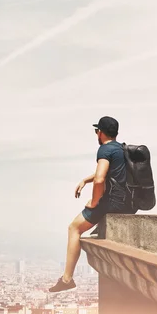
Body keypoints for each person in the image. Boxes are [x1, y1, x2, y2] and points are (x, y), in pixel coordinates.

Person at [49, 116, 136, 292]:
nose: (97, 134)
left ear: (101, 133)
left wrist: (94, 202)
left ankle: (67, 279)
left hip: (112, 203)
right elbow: (110, 173)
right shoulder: (121, 149)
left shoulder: (105, 149)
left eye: (97, 131)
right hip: (128, 202)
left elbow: (100, 179)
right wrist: (85, 180)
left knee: (74, 228)